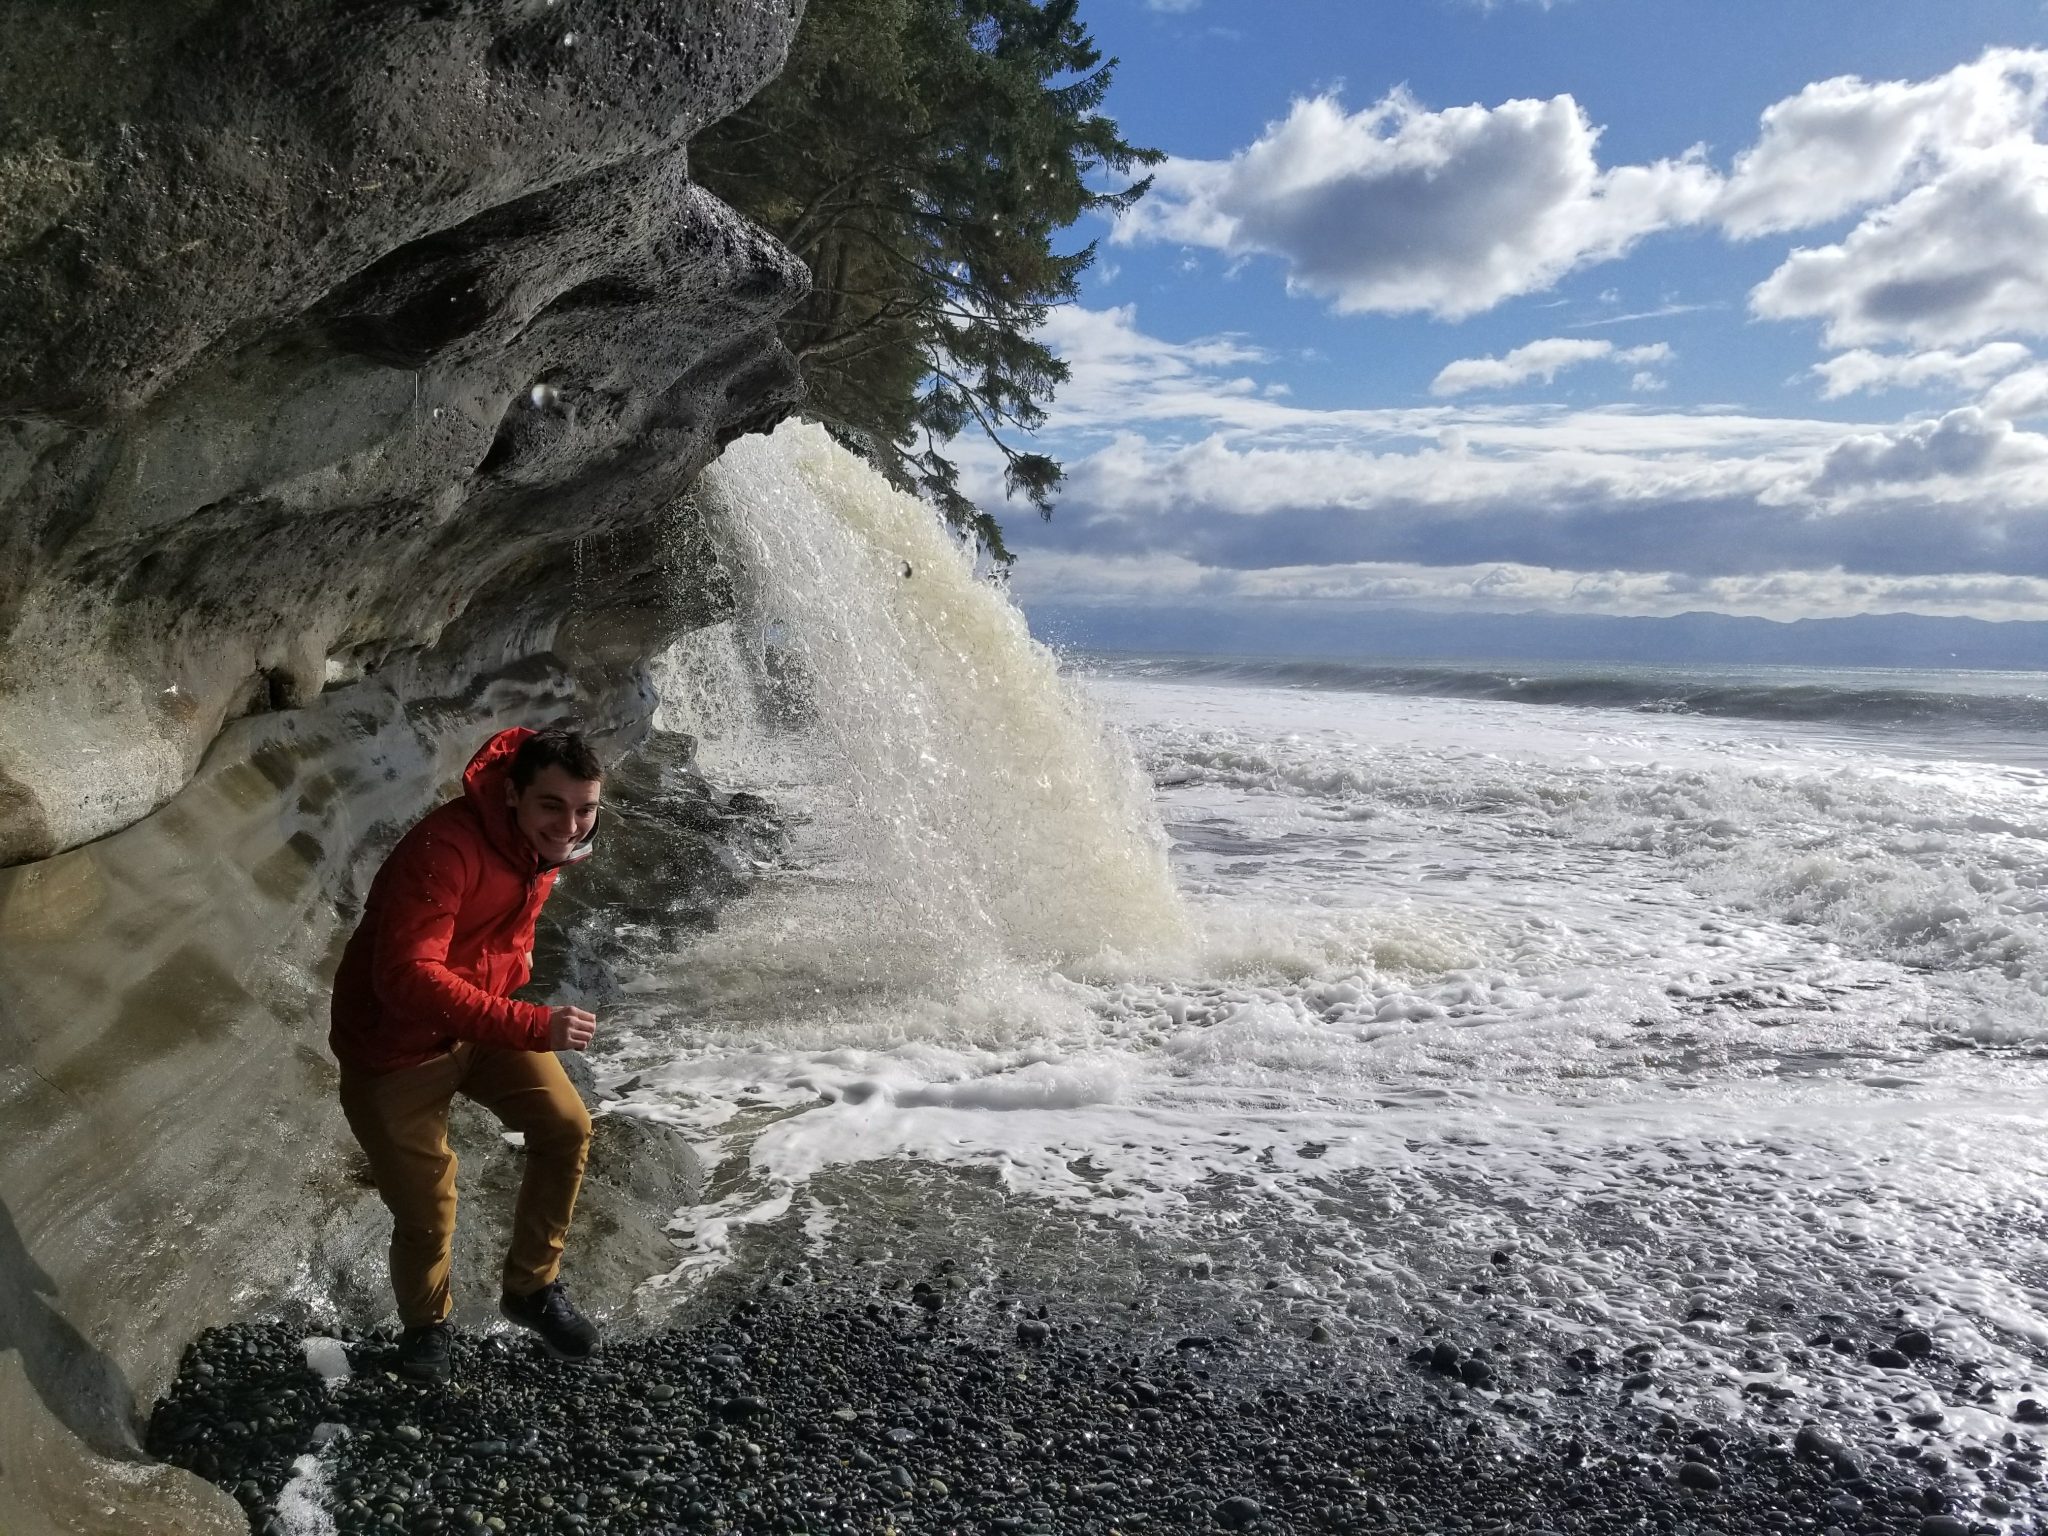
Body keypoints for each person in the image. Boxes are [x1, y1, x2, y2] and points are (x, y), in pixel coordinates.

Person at [328, 725, 606, 1383]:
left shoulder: (538, 845)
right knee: (428, 1213)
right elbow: (405, 978)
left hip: (476, 1026)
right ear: (512, 795)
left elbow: (499, 920)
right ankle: (426, 1329)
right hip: (393, 1051)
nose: (570, 826)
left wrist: (516, 964)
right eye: (552, 806)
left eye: (585, 809)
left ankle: (531, 1289)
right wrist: (532, 1022)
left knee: (566, 1126)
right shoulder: (443, 850)